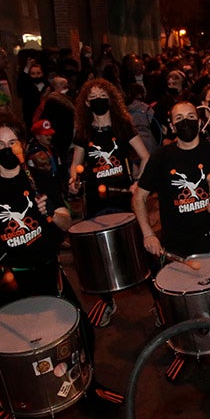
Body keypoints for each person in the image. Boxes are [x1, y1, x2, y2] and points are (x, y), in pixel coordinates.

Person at [0, 116, 122, 419]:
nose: (7, 149)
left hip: (46, 271)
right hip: (7, 278)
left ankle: (86, 387)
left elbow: (66, 220)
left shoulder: (41, 179)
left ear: (22, 145)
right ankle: (13, 401)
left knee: (80, 331)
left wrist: (50, 216)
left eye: (12, 142)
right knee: (7, 347)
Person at [68, 78, 151, 327]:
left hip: (123, 197)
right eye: (92, 96)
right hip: (95, 200)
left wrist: (138, 181)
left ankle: (160, 302)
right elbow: (75, 164)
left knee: (137, 248)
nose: (97, 100)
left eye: (102, 94)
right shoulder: (84, 131)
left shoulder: (123, 126)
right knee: (98, 255)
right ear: (86, 102)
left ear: (111, 98)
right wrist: (73, 179)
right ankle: (105, 301)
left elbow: (146, 157)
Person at [132, 101, 210, 258]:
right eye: (179, 118)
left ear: (200, 123)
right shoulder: (160, 158)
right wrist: (148, 234)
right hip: (175, 246)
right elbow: (139, 197)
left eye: (191, 116)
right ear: (173, 127)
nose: (185, 121)